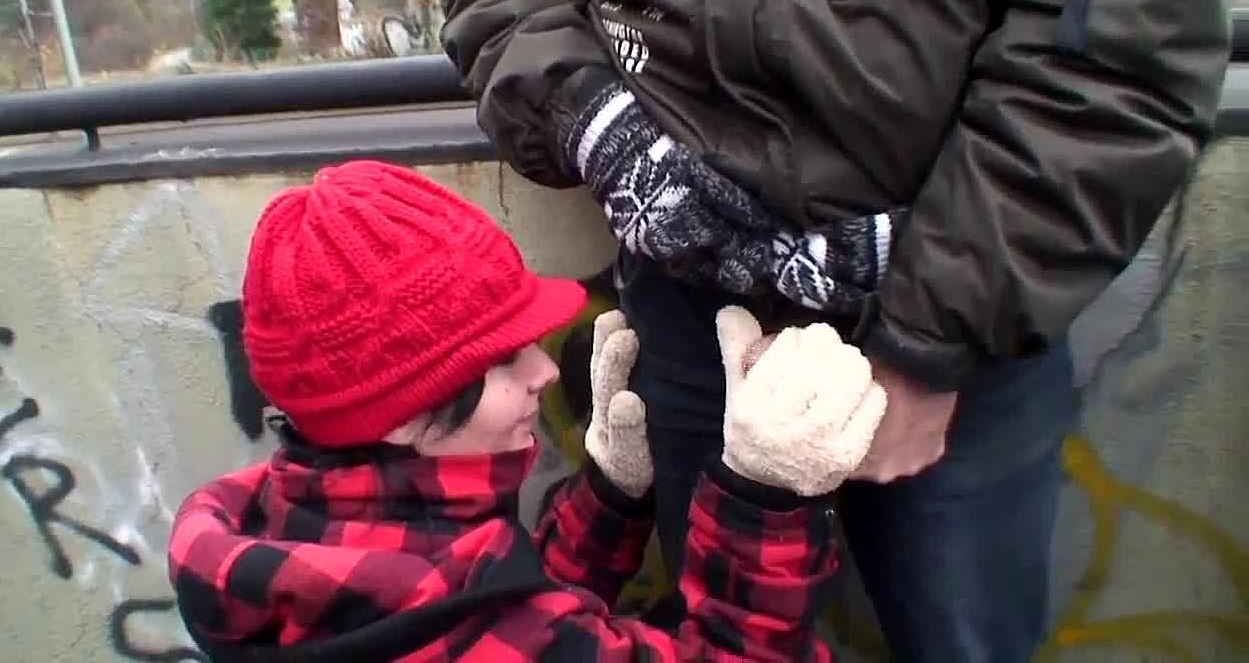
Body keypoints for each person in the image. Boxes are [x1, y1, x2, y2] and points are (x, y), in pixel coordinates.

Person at [436, 0, 1232, 661]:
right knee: (708, 625)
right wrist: (594, 125)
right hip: (689, 308)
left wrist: (933, 334)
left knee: (961, 635)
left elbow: (1124, 39)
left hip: (965, 307)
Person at [166, 160, 887, 662]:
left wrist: (610, 496)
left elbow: (510, 608)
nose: (544, 371)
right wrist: (763, 499)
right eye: (502, 360)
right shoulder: (445, 625)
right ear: (399, 414)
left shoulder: (290, 525)